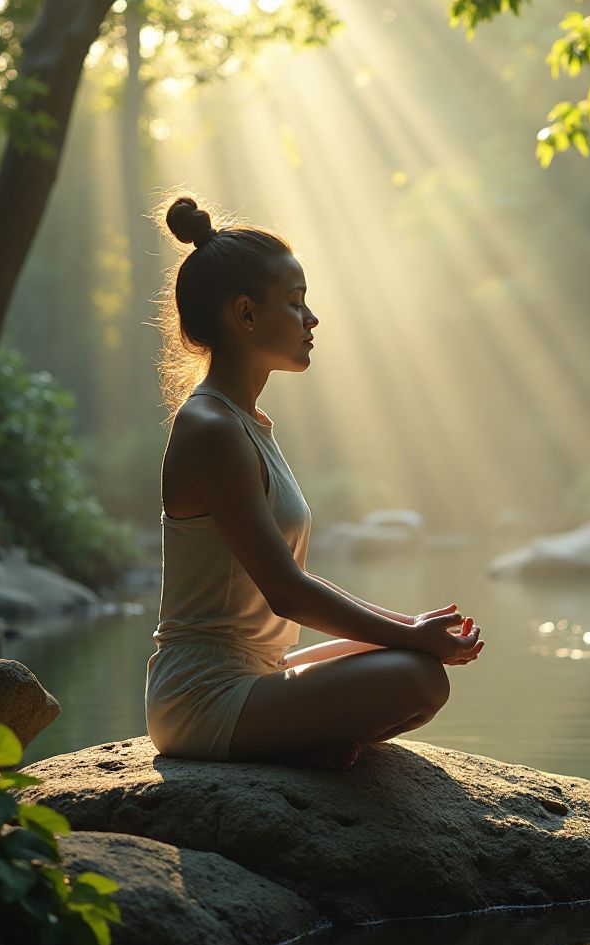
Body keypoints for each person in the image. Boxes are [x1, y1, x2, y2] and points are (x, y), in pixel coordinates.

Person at [145, 195, 483, 771]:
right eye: (296, 303)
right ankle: (296, 745)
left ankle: (299, 743)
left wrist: (411, 627)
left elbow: (290, 582)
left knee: (413, 666)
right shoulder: (210, 427)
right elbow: (287, 592)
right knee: (413, 678)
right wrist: (412, 639)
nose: (312, 319)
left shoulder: (246, 422)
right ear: (245, 314)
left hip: (261, 675)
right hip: (203, 698)